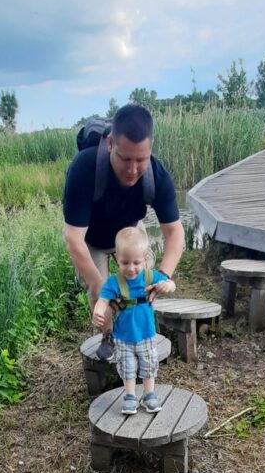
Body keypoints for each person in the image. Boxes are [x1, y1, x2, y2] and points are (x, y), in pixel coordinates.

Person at [63, 103, 184, 358]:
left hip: (130, 233)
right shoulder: (84, 169)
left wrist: (163, 276)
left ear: (150, 149)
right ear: (110, 144)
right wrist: (102, 286)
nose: (132, 170)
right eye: (125, 159)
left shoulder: (157, 176)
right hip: (91, 240)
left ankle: (138, 334)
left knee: (141, 284)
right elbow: (74, 240)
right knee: (100, 294)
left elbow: (175, 233)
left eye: (140, 160)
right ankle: (108, 336)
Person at [92, 226, 175, 414]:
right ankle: (130, 397)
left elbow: (171, 284)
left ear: (145, 259)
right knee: (127, 367)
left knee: (148, 365)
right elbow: (103, 299)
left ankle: (149, 395)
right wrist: (98, 311)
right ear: (117, 259)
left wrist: (167, 285)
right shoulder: (114, 282)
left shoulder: (149, 276)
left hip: (146, 333)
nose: (131, 268)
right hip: (123, 336)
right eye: (125, 262)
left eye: (136, 262)